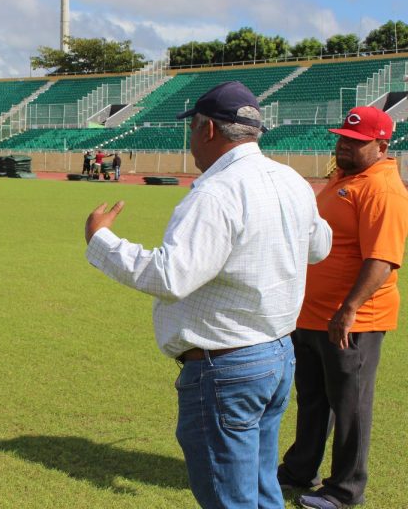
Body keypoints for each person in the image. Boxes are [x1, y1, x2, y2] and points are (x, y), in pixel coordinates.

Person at [83, 81, 332, 509]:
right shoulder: (291, 180)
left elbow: (171, 276)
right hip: (274, 354)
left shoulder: (218, 191)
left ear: (208, 130)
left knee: (229, 498)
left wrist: (101, 241)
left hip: (227, 365)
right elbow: (320, 246)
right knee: (259, 489)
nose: (191, 141)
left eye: (193, 129)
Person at [278, 107, 408, 509]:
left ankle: (345, 490)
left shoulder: (383, 189)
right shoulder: (344, 177)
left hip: (352, 321)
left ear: (382, 145)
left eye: (355, 142)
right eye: (341, 138)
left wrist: (348, 310)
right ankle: (301, 470)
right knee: (314, 398)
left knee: (350, 405)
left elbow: (382, 260)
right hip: (314, 314)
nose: (343, 146)